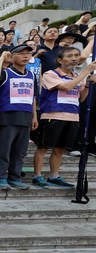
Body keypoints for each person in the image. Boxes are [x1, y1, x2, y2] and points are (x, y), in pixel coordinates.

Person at [33, 49, 96, 188]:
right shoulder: (50, 74)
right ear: (60, 60)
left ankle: (54, 175)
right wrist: (86, 72)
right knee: (43, 147)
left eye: (76, 56)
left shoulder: (77, 75)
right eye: (69, 56)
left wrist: (86, 84)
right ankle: (37, 175)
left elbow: (81, 98)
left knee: (60, 149)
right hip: (53, 115)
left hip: (72, 116)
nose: (74, 58)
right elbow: (66, 87)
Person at [0, 44, 38, 190]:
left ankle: (15, 177)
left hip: (25, 116)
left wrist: (34, 116)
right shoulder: (5, 73)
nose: (25, 56)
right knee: (4, 149)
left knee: (20, 150)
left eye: (28, 54)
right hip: (7, 116)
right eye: (21, 53)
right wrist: (2, 59)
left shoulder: (31, 75)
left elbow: (33, 97)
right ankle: (1, 177)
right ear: (12, 56)